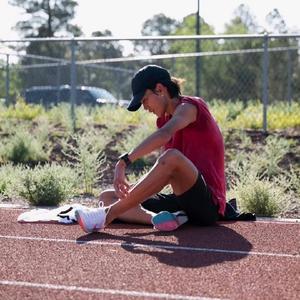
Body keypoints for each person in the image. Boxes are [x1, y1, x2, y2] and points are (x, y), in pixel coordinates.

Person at [75, 64, 226, 233]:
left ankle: (106, 216)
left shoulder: (190, 106)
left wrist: (123, 162)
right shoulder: (162, 120)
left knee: (172, 157)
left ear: (160, 89)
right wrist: (136, 191)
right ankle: (165, 219)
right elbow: (164, 174)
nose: (145, 107)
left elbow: (165, 135)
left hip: (208, 205)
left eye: (144, 100)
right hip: (181, 201)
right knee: (107, 196)